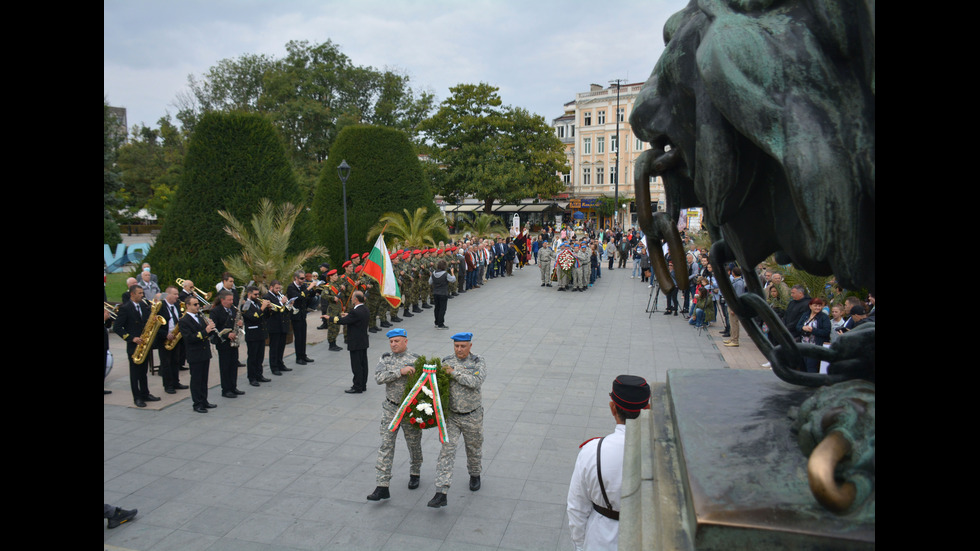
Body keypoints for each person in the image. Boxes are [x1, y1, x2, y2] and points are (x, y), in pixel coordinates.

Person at [567, 375, 651, 551]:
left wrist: (581, 544)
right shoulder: (663, 451)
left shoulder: (591, 451)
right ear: (648, 408)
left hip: (600, 539)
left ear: (613, 408)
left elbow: (576, 507)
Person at [428, 332, 486, 508]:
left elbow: (475, 381)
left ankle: (475, 474)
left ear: (470, 346)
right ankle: (441, 492)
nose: (459, 349)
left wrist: (454, 373)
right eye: (456, 346)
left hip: (472, 415)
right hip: (452, 417)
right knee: (446, 451)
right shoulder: (446, 361)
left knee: (473, 448)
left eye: (462, 346)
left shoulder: (477, 362)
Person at [366, 328, 424, 501]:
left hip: (409, 410)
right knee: (386, 445)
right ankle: (382, 485)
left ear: (405, 341)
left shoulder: (416, 360)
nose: (393, 344)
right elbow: (378, 377)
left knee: (413, 443)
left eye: (397, 341)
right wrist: (400, 372)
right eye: (391, 342)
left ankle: (415, 471)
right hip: (391, 409)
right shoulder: (385, 359)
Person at [113, 285, 160, 408]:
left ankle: (145, 393)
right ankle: (137, 397)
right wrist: (131, 338)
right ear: (132, 294)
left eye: (142, 293)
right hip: (134, 345)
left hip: (144, 342)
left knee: (143, 371)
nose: (142, 295)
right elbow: (117, 327)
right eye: (139, 293)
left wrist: (153, 319)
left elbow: (146, 321)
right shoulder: (125, 308)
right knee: (135, 373)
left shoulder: (144, 306)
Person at [179, 296, 216, 413]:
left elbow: (206, 335)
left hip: (204, 352)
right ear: (187, 306)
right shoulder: (184, 321)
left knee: (204, 379)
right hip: (195, 354)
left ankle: (204, 400)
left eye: (198, 304)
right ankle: (197, 403)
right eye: (194, 305)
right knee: (196, 380)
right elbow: (189, 338)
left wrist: (211, 330)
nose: (197, 307)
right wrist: (206, 331)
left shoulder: (200, 317)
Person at [209, 290, 246, 395]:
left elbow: (236, 320)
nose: (231, 302)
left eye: (232, 299)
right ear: (222, 300)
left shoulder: (233, 309)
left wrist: (240, 324)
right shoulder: (215, 311)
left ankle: (233, 387)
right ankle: (226, 389)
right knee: (225, 366)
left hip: (233, 341)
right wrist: (226, 334)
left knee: (234, 365)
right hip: (223, 342)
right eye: (229, 300)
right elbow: (215, 328)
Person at [334, 290, 370, 394]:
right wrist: (348, 315)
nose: (351, 299)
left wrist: (330, 318)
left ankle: (357, 386)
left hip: (355, 342)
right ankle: (363, 385)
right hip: (363, 341)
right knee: (364, 364)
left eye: (353, 297)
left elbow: (343, 321)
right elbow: (353, 318)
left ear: (356, 299)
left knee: (356, 365)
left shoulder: (355, 312)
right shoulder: (365, 309)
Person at [156, 286, 188, 394]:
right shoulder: (160, 306)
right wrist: (165, 334)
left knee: (175, 361)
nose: (177, 296)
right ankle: (168, 385)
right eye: (175, 294)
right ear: (168, 295)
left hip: (175, 337)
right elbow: (155, 326)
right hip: (164, 339)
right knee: (166, 363)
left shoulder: (176, 306)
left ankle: (176, 382)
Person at [287, 271, 316, 365]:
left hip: (303, 314)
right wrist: (309, 288)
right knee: (298, 336)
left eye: (304, 278)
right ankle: (298, 357)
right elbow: (299, 297)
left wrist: (313, 289)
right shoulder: (291, 287)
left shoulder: (303, 286)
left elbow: (310, 296)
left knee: (303, 336)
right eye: (301, 278)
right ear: (296, 278)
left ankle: (303, 355)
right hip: (296, 316)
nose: (303, 280)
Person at [265, 280, 291, 373]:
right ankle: (274, 367)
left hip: (282, 325)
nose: (278, 290)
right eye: (276, 288)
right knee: (274, 347)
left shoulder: (278, 296)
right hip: (274, 325)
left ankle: (280, 363)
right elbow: (272, 310)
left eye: (279, 288)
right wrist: (281, 302)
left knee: (281, 346)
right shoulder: (267, 297)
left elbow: (283, 310)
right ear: (271, 287)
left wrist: (289, 305)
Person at [429, 260, 456, 330]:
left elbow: (430, 282)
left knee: (437, 308)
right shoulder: (446, 274)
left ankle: (437, 322)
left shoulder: (433, 273)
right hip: (443, 293)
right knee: (442, 309)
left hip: (435, 293)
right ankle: (441, 324)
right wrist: (452, 272)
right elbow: (453, 280)